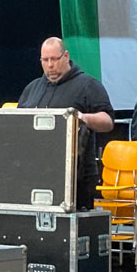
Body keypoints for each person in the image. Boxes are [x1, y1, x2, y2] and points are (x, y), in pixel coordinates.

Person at [17, 37, 115, 209]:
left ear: (66, 56)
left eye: (54, 59)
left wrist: (82, 118)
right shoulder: (33, 88)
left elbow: (108, 121)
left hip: (77, 177)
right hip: (34, 173)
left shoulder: (88, 85)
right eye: (45, 60)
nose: (50, 65)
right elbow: (18, 124)